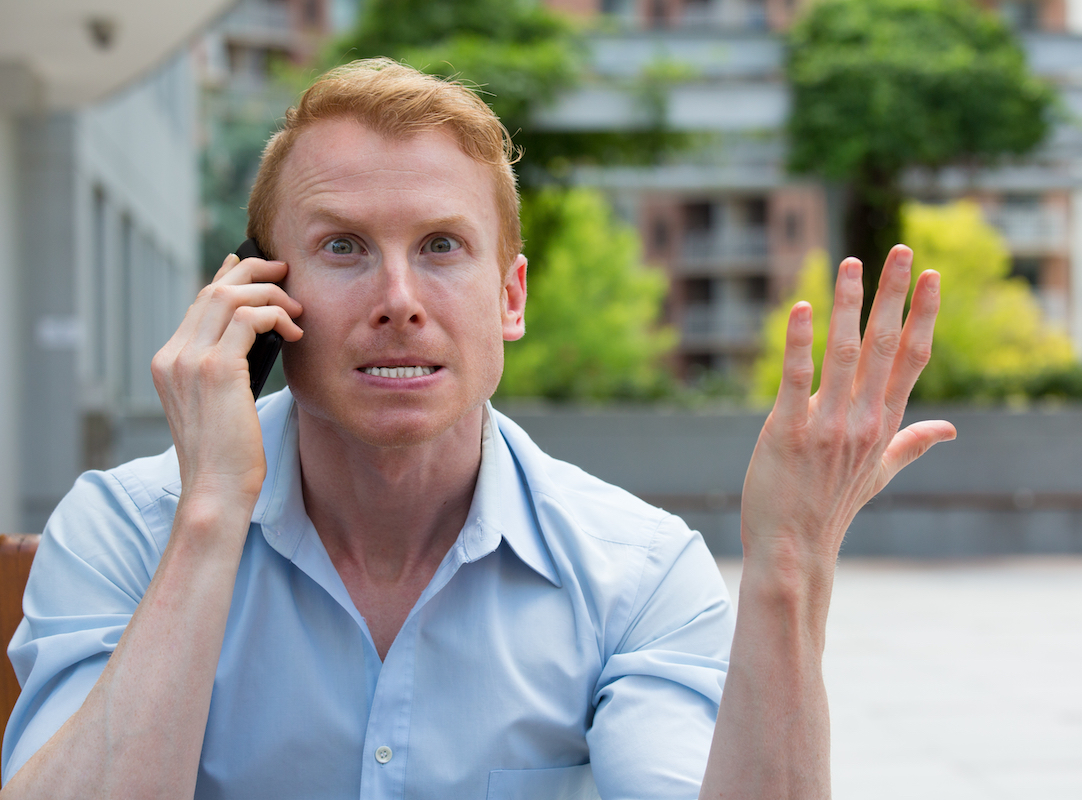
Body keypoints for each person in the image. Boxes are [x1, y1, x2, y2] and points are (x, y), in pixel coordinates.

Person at [1, 59, 954, 799]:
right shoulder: (124, 532)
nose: (400, 300)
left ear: (511, 297)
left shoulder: (637, 573)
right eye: (342, 248)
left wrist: (791, 565)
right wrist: (210, 511)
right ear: (258, 295)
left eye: (441, 247)